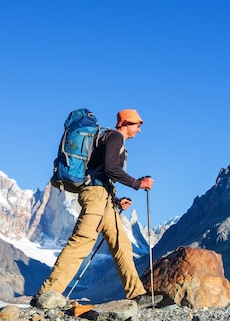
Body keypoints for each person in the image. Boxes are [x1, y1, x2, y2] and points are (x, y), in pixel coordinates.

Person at [32, 109, 161, 309]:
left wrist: (117, 201)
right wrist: (137, 183)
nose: (139, 130)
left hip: (105, 198)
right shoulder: (115, 137)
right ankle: (46, 294)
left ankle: (137, 295)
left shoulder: (111, 138)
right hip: (96, 197)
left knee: (122, 244)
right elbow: (110, 168)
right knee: (81, 243)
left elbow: (103, 173)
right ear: (126, 123)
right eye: (138, 124)